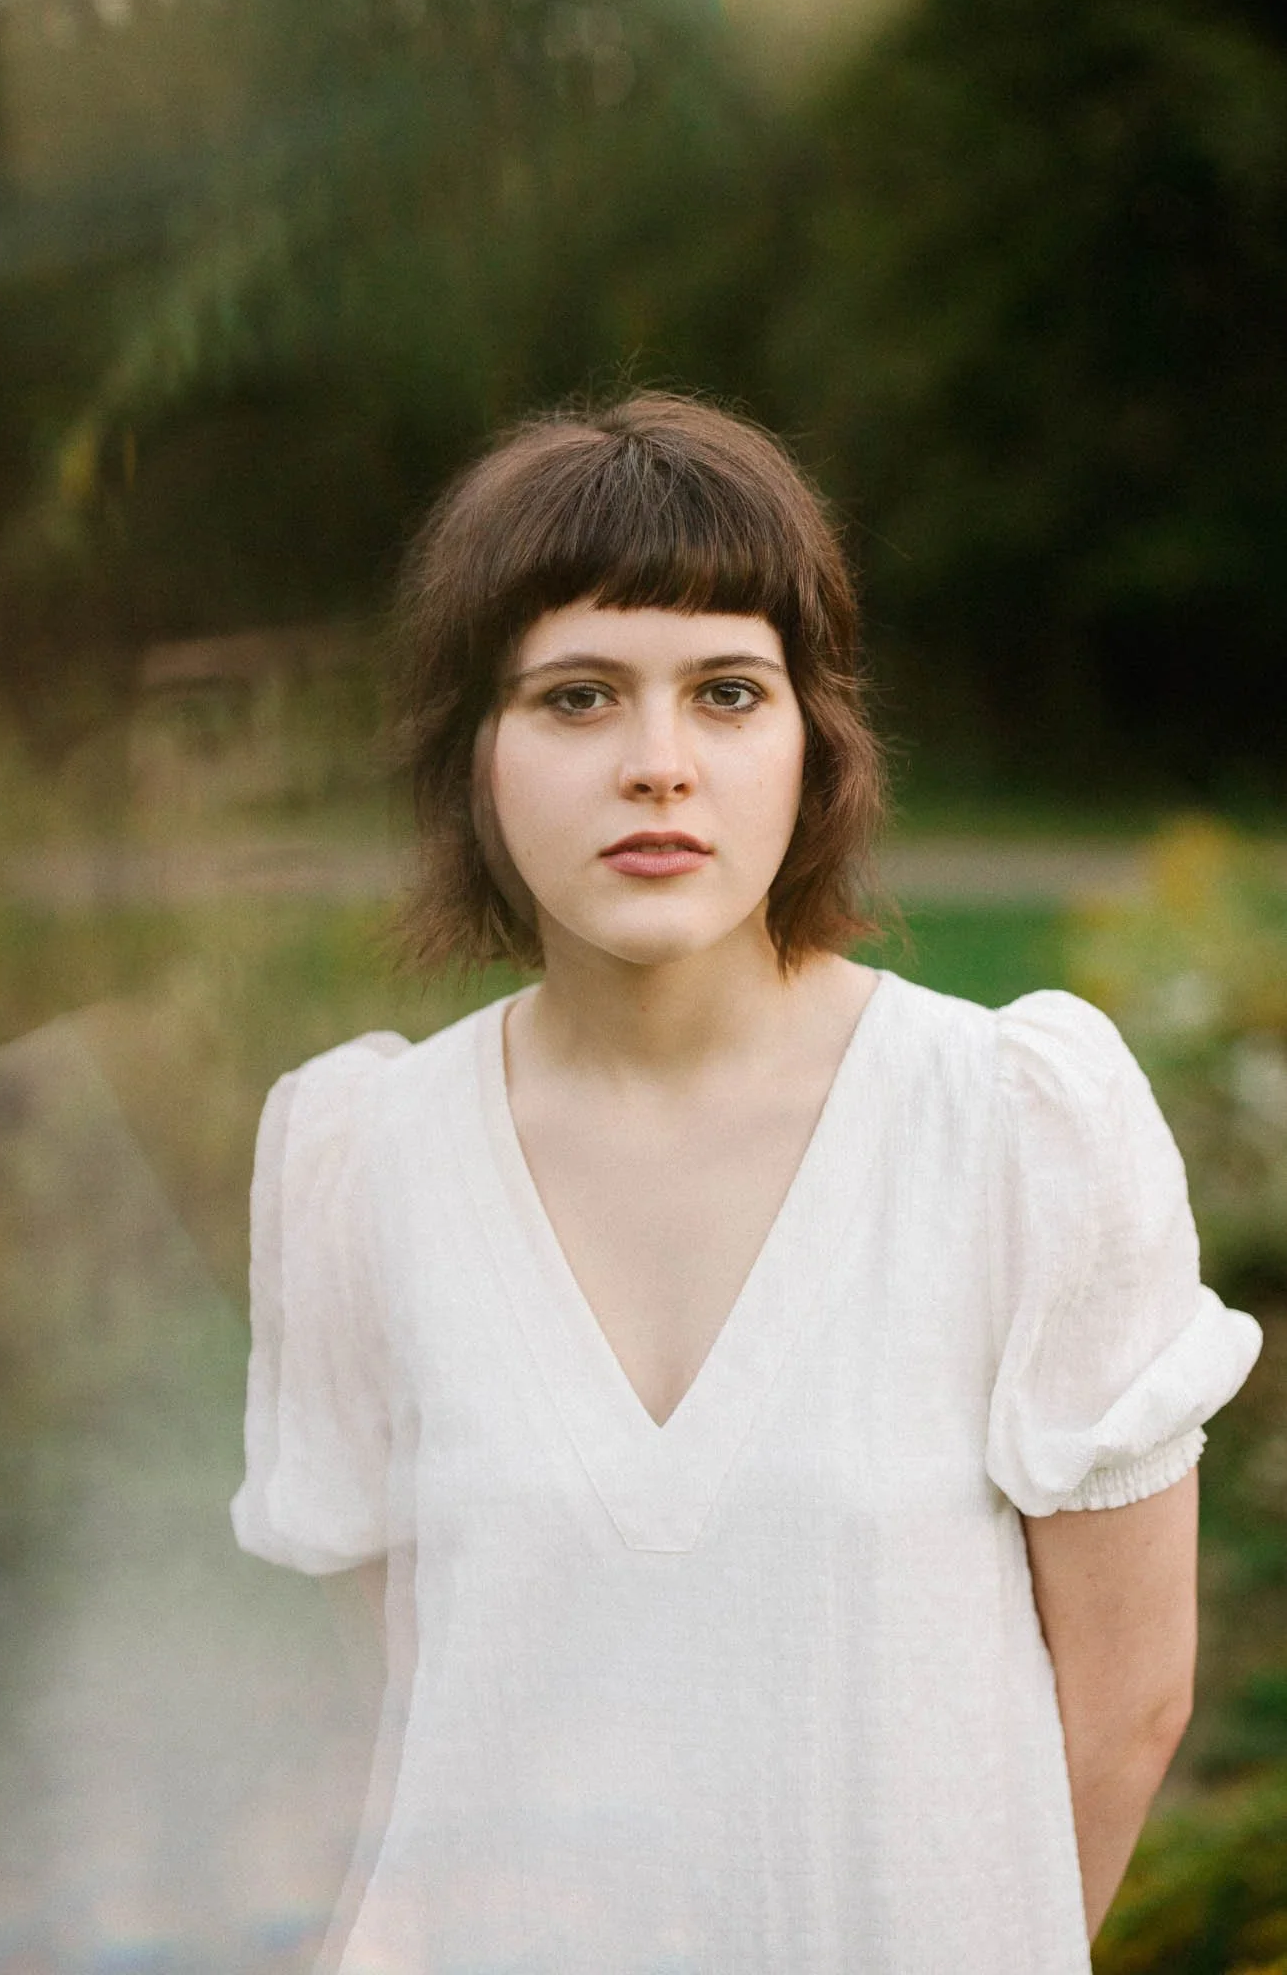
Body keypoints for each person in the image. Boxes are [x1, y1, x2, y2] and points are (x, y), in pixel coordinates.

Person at [231, 392, 1262, 1974]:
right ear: (472, 755)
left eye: (725, 691)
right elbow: (404, 1732)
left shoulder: (1011, 1127)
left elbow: (1128, 1711)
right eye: (577, 697)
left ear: (813, 738)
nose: (659, 766)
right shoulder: (362, 1162)